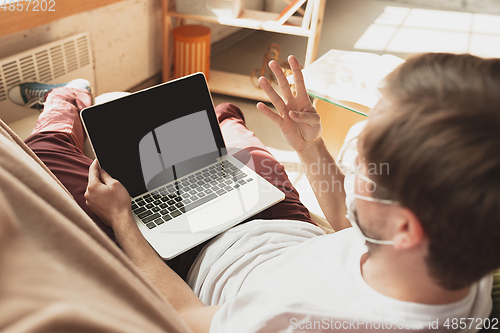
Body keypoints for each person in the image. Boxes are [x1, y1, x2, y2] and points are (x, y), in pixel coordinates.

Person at [7, 52, 500, 332]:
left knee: (46, 152)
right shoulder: (463, 264)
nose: (354, 172)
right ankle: (220, 124)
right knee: (222, 117)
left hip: (196, 253)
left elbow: (187, 316)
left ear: (406, 226)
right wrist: (311, 149)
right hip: (286, 218)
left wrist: (122, 222)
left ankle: (64, 96)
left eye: (368, 167)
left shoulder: (305, 318)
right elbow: (352, 227)